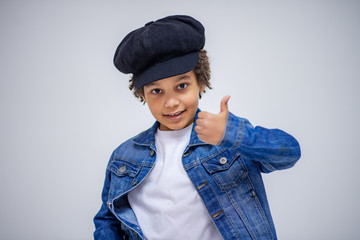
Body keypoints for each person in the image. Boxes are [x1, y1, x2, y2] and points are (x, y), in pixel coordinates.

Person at [93, 15, 301, 240]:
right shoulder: (124, 156)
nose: (171, 102)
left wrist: (231, 135)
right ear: (142, 94)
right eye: (156, 91)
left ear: (200, 82)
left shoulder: (227, 138)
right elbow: (108, 219)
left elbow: (289, 153)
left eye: (181, 86)